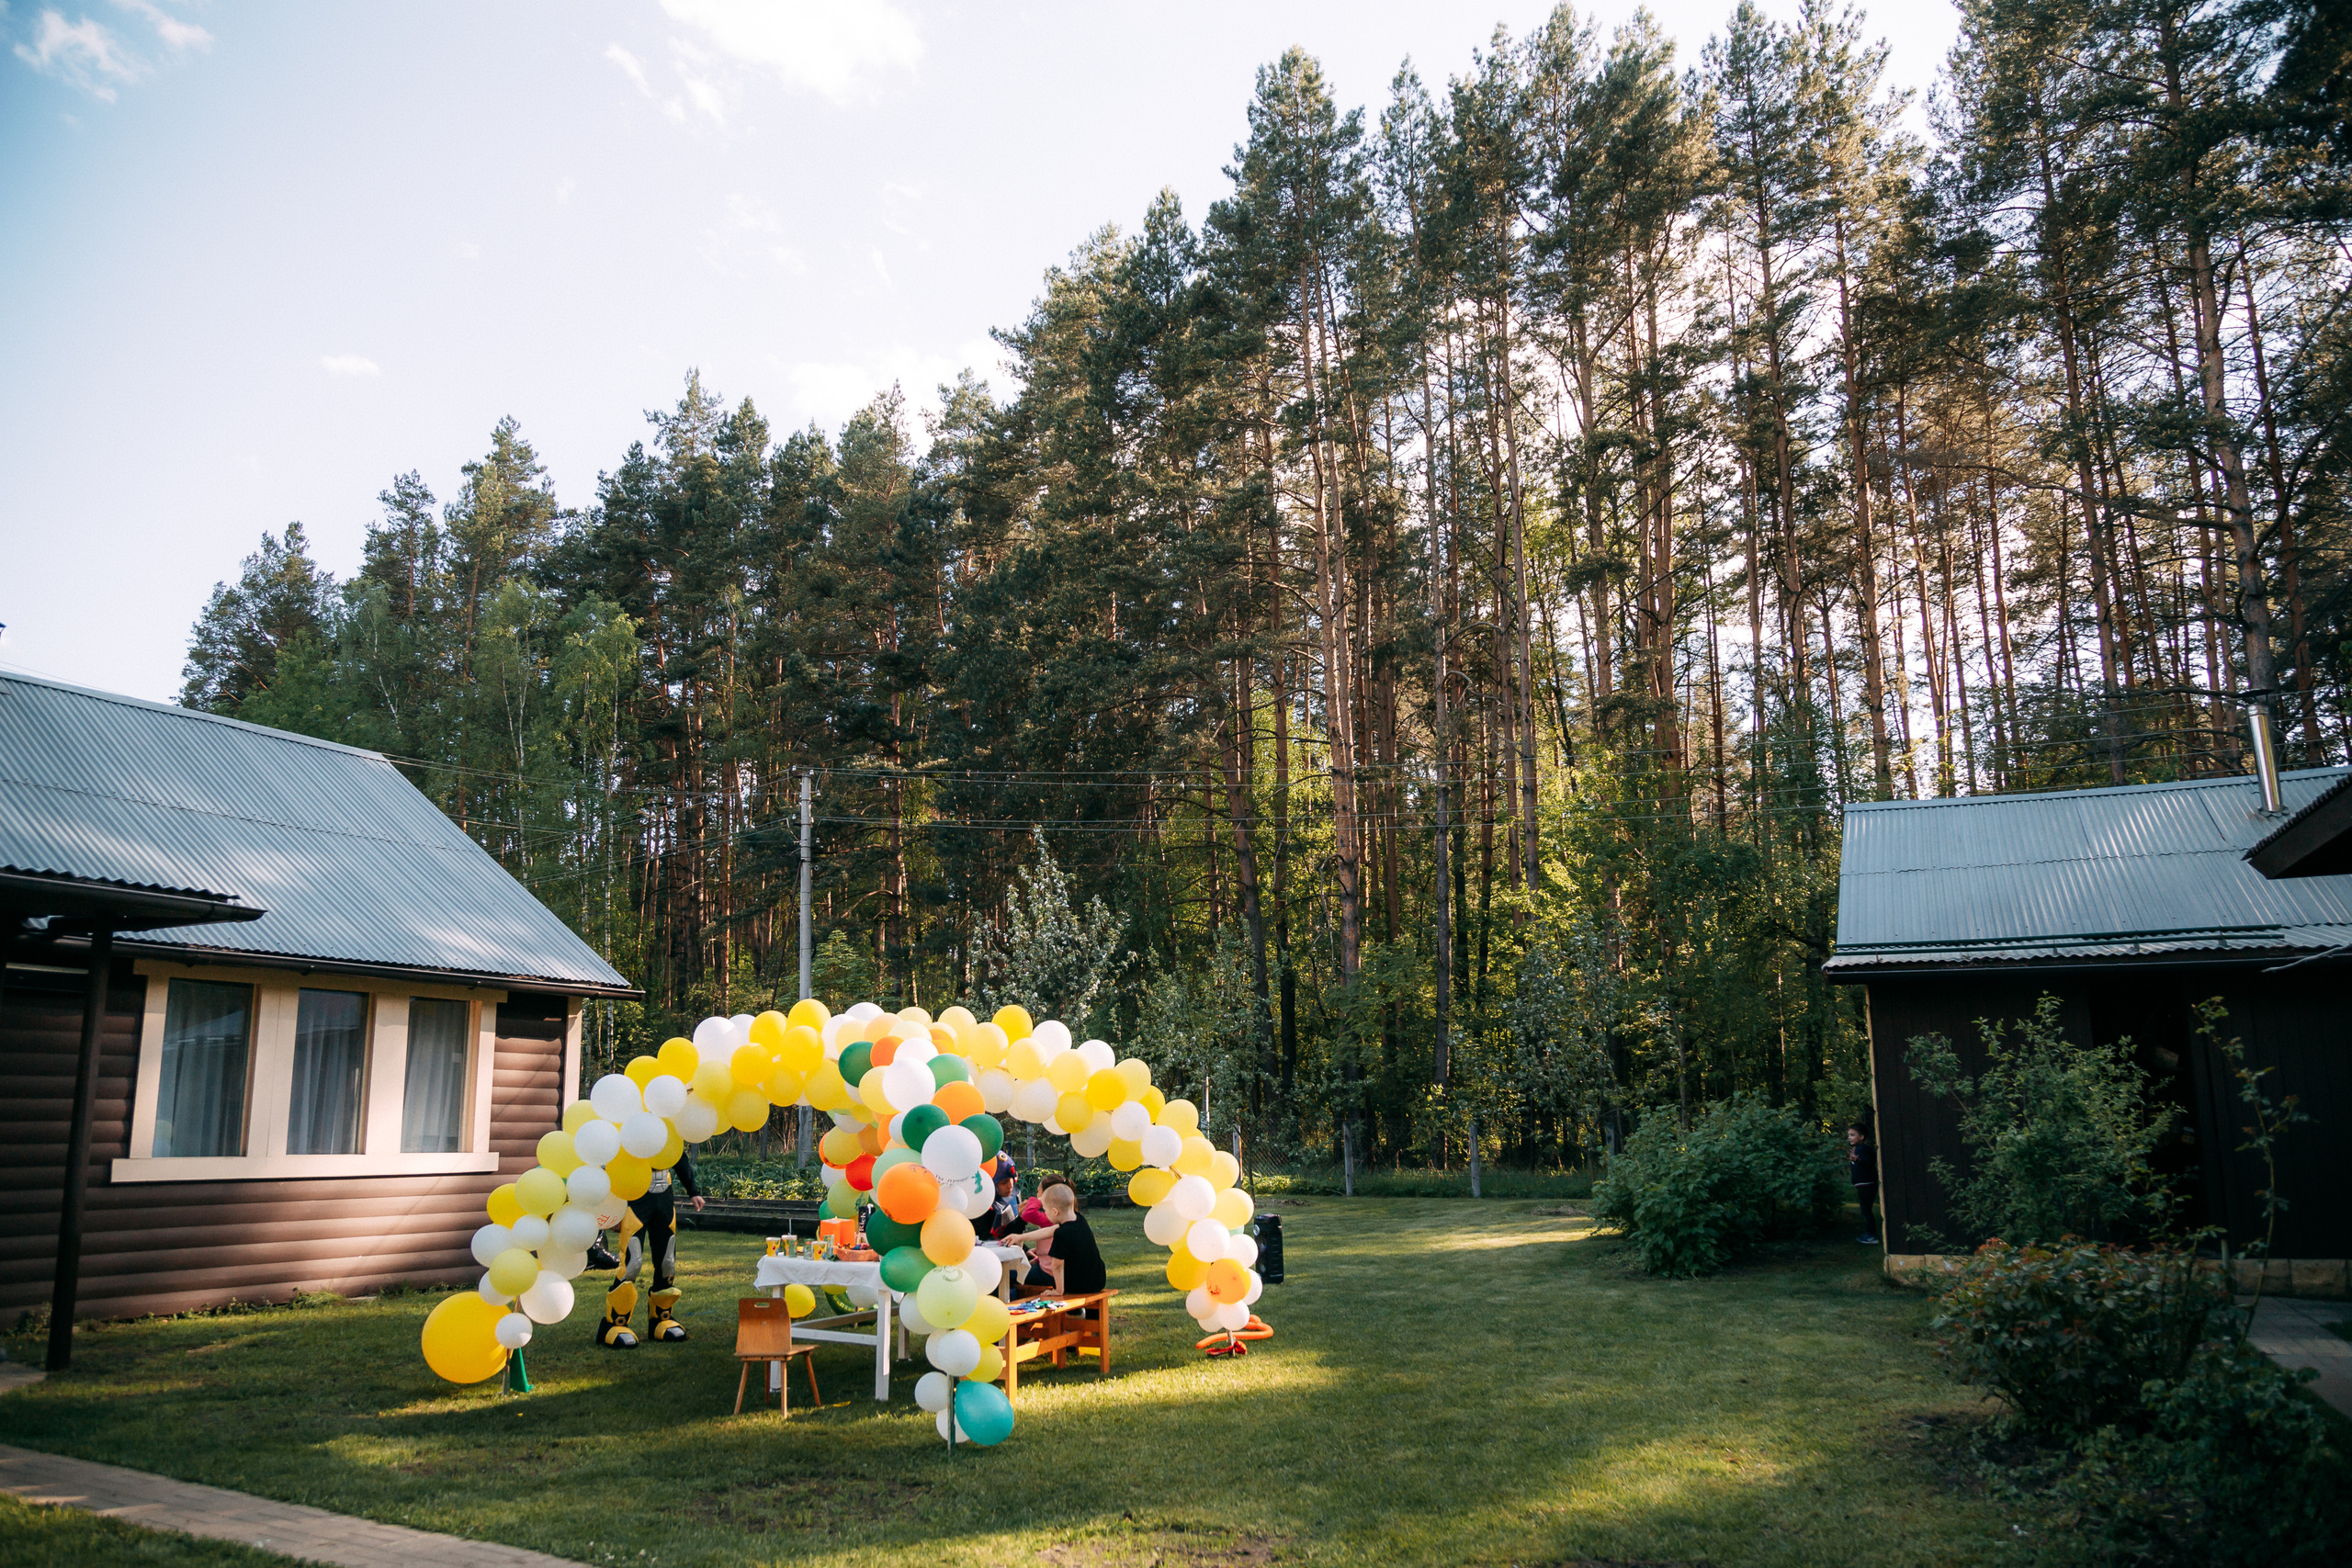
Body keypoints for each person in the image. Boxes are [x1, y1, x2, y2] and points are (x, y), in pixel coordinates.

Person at [595, 1146, 706, 1348]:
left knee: (667, 1262)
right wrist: (612, 1208)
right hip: (634, 1194)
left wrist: (693, 1191)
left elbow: (677, 1154)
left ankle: (661, 1318)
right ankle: (615, 1323)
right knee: (632, 1263)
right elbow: (609, 1160)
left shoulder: (669, 1130)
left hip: (663, 1195)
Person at [1006, 1180, 1105, 1297]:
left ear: (1054, 1211)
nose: (1045, 1213)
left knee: (1011, 1275)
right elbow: (1049, 1231)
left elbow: (1057, 1266)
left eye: (1046, 1210)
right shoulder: (1079, 1220)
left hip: (1079, 1286)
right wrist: (1020, 1237)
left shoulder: (1061, 1234)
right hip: (1098, 1280)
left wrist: (1059, 1291)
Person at [973, 1156, 1023, 1242]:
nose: (1010, 1186)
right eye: (1004, 1182)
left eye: (1011, 1179)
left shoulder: (1011, 1195)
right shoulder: (980, 1210)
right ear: (990, 1184)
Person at [1848, 1121, 1879, 1247]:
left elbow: (1869, 1162)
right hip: (1862, 1185)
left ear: (1861, 1137)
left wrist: (1858, 1160)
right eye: (1849, 1135)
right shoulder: (1858, 1149)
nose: (1849, 1137)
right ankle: (1870, 1233)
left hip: (1867, 1185)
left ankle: (1872, 1235)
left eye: (1852, 1135)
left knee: (1866, 1210)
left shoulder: (1865, 1149)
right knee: (1865, 1210)